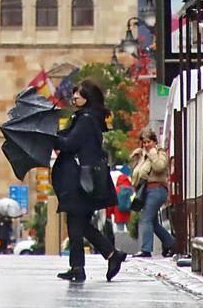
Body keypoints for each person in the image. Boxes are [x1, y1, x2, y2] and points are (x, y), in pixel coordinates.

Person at [51, 79, 128, 283]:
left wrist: (51, 138)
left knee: (77, 222)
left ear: (88, 98)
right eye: (74, 93)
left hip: (81, 180)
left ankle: (84, 265)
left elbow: (70, 143)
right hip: (82, 179)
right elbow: (69, 138)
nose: (74, 96)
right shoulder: (84, 118)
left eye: (79, 94)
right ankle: (107, 256)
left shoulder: (86, 119)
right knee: (79, 223)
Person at [130, 128, 176, 258]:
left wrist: (152, 154)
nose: (146, 145)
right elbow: (137, 175)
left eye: (148, 141)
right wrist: (137, 159)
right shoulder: (144, 157)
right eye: (144, 142)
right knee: (153, 222)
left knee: (146, 218)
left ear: (155, 141)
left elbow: (160, 167)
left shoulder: (159, 153)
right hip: (146, 191)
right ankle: (171, 242)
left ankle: (146, 249)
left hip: (157, 190)